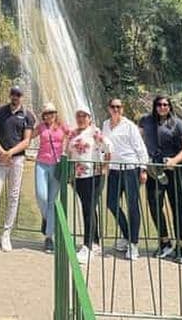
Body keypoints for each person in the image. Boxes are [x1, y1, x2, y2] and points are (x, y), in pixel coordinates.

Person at [0, 86, 36, 253]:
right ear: (9, 95)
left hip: (16, 159)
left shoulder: (28, 115)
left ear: (22, 97)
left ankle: (6, 234)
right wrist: (2, 152)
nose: (15, 97)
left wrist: (10, 153)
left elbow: (27, 141)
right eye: (13, 94)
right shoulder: (0, 111)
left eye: (18, 94)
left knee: (13, 196)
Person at [139, 94, 182, 262]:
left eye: (166, 104)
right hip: (154, 168)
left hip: (174, 170)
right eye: (159, 104)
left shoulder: (178, 124)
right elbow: (137, 141)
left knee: (177, 206)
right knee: (154, 204)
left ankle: (180, 246)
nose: (163, 107)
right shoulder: (145, 121)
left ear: (170, 106)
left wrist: (175, 160)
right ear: (155, 106)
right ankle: (164, 241)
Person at [103, 97, 149, 261]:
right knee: (111, 203)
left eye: (119, 107)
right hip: (114, 170)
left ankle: (134, 244)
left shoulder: (129, 126)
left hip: (131, 169)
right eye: (113, 106)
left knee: (132, 205)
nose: (116, 109)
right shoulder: (105, 125)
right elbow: (105, 147)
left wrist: (143, 169)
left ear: (122, 109)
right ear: (109, 108)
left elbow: (140, 148)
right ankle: (127, 234)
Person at [67, 105, 112, 264]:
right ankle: (96, 242)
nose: (81, 118)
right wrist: (69, 175)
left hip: (94, 175)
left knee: (88, 208)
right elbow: (69, 153)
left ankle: (87, 246)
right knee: (89, 207)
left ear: (89, 118)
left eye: (84, 116)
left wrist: (105, 167)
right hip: (78, 176)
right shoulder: (72, 133)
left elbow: (108, 147)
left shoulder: (94, 132)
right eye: (78, 115)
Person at [34, 102, 70, 252]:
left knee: (51, 201)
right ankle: (46, 218)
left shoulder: (63, 126)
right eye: (47, 113)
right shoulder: (40, 127)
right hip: (41, 163)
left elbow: (74, 136)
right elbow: (27, 136)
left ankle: (49, 237)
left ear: (56, 114)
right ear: (44, 115)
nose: (49, 115)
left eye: (52, 113)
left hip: (56, 166)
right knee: (41, 196)